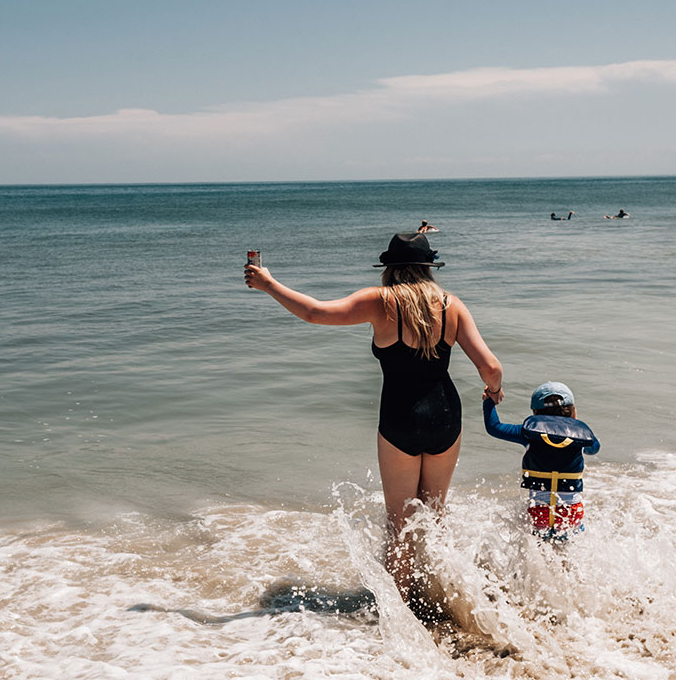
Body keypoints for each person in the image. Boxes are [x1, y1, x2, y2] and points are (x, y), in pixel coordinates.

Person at [245, 233, 504, 604]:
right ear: (428, 268)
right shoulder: (451, 305)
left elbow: (315, 313)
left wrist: (269, 284)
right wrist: (494, 392)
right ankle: (447, 598)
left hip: (400, 418)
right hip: (446, 417)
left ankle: (397, 613)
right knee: (434, 516)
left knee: (399, 525)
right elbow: (491, 367)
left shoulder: (379, 302)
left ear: (390, 269)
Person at [482, 381, 600, 542]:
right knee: (568, 550)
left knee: (539, 549)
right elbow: (594, 448)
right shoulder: (580, 437)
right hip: (570, 511)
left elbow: (494, 427)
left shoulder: (527, 433)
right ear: (572, 412)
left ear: (535, 413)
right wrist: (575, 425)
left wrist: (489, 402)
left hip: (539, 512)